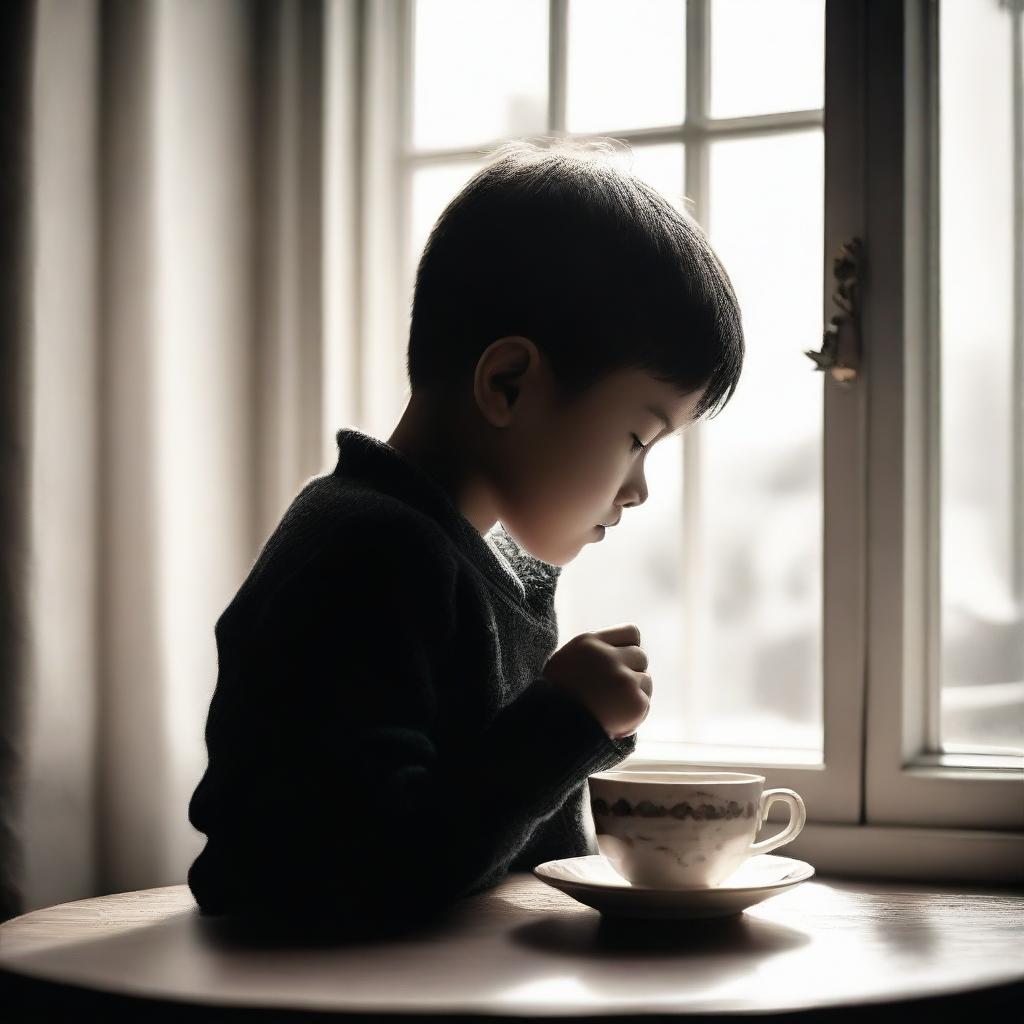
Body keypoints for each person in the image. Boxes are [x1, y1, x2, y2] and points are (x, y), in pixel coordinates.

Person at [186, 137, 744, 933]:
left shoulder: (469, 562)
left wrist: (584, 726)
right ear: (508, 384)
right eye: (637, 437)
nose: (640, 488)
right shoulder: (368, 553)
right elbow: (375, 864)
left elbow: (500, 843)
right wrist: (565, 722)